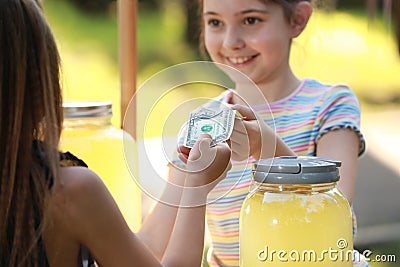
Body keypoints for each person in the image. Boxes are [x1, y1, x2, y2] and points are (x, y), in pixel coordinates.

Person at [0, 1, 231, 266]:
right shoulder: (68, 193)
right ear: (40, 87)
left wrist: (181, 178)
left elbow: (136, 249)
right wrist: (197, 186)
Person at [168, 0, 368, 266]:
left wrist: (267, 149)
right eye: (215, 22)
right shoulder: (201, 125)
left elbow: (333, 219)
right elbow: (164, 239)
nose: (231, 41)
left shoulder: (329, 105)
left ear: (297, 19)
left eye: (250, 20)